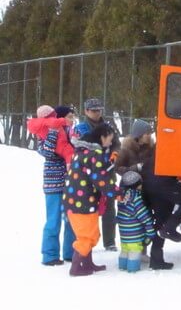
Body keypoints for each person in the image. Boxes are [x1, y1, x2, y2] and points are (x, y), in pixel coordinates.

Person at [63, 123, 123, 277]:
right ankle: (76, 268)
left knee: (91, 233)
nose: (110, 143)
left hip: (77, 200)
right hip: (82, 202)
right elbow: (100, 179)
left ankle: (88, 263)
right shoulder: (93, 154)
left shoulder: (83, 151)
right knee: (87, 236)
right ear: (102, 137)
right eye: (109, 140)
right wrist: (118, 193)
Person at [28, 105, 76, 266]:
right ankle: (49, 255)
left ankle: (71, 252)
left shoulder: (69, 133)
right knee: (53, 220)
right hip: (53, 184)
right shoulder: (44, 135)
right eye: (68, 116)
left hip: (70, 182)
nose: (70, 119)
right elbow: (47, 152)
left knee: (71, 219)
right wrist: (54, 132)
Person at [141, 146, 181, 270]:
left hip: (150, 187)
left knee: (161, 220)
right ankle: (170, 228)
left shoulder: (154, 153)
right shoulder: (170, 148)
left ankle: (156, 260)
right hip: (163, 183)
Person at [73, 97, 120, 251]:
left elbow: (117, 143)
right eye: (93, 110)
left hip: (107, 170)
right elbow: (78, 148)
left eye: (99, 110)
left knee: (109, 207)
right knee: (88, 207)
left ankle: (110, 241)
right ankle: (86, 241)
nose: (97, 113)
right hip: (88, 175)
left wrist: (115, 154)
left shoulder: (108, 125)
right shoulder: (80, 128)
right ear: (86, 111)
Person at [117, 171, 155, 273]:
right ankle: (132, 268)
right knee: (134, 250)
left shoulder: (122, 198)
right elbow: (144, 217)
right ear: (137, 185)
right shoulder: (136, 199)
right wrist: (151, 232)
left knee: (125, 249)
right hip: (134, 232)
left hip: (124, 231)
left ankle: (122, 265)